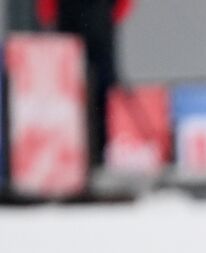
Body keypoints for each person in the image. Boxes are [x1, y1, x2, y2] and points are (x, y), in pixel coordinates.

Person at [37, 0, 135, 171]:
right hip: (73, 21)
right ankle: (71, 155)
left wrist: (114, 15)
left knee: (99, 93)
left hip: (97, 21)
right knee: (69, 93)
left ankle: (97, 156)